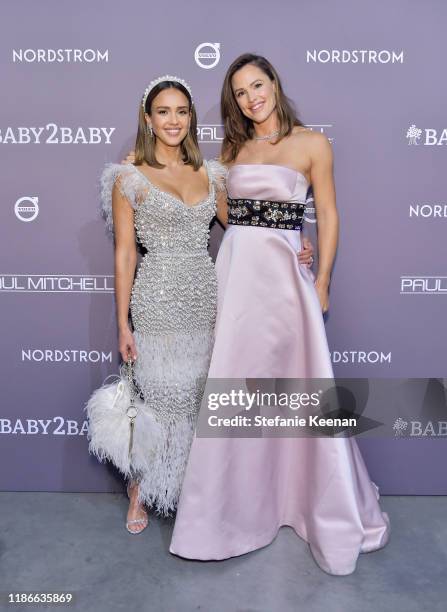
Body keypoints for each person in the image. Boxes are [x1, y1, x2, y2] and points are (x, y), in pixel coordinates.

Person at [169, 54, 390, 575]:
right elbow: (226, 210)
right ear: (236, 103)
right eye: (241, 93)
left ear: (275, 83)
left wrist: (322, 275)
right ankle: (235, 510)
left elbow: (329, 212)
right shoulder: (234, 147)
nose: (252, 98)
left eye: (258, 85)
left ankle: (308, 502)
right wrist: (262, 229)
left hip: (287, 285)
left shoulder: (313, 143)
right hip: (239, 276)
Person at [85, 75, 229, 533]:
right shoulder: (128, 178)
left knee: (194, 400)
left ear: (190, 118)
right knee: (159, 397)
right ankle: (140, 489)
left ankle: (191, 488)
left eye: (182, 111)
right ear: (148, 119)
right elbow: (125, 253)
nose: (173, 120)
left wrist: (294, 245)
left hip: (203, 295)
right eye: (163, 111)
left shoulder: (212, 173)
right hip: (156, 299)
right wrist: (123, 324)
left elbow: (245, 227)